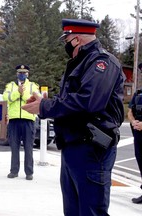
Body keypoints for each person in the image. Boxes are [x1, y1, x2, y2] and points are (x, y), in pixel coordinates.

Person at [22, 18, 125, 215]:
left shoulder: (102, 63)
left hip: (91, 148)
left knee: (91, 210)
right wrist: (46, 103)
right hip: (73, 145)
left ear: (76, 40)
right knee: (73, 210)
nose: (66, 45)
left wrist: (45, 106)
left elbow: (88, 101)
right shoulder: (80, 64)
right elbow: (72, 101)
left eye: (66, 39)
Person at [3, 64, 40, 180]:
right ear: (17, 74)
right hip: (14, 119)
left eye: (24, 73)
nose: (22, 75)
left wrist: (22, 93)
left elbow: (34, 99)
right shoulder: (10, 85)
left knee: (28, 147)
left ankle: (29, 172)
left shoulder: (33, 86)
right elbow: (5, 98)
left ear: (28, 74)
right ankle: (14, 171)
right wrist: (17, 92)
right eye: (20, 73)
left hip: (28, 119)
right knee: (14, 146)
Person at [127, 89, 142, 204]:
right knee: (141, 163)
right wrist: (133, 122)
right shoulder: (138, 94)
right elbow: (130, 112)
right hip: (138, 135)